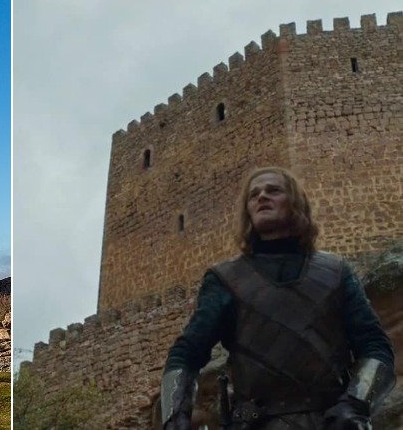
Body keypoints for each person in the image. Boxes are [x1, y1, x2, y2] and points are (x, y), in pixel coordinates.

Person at [160, 167, 395, 430]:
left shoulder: (336, 272)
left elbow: (375, 347)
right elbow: (186, 354)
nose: (262, 197)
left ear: (294, 202)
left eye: (273, 190)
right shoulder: (225, 279)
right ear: (247, 211)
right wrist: (175, 418)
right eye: (254, 195)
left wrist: (356, 404)